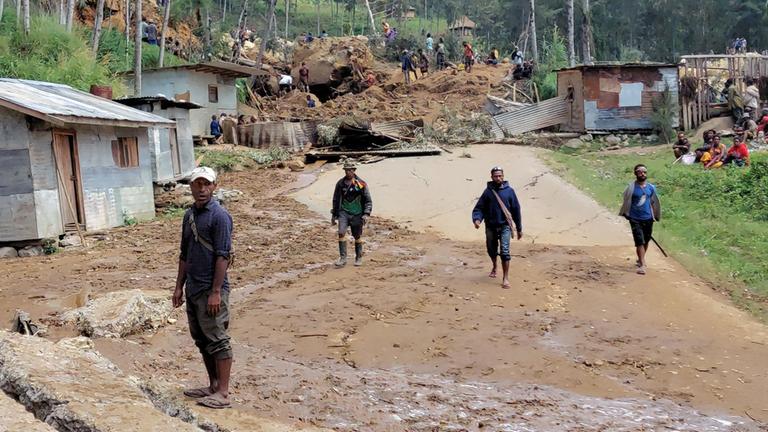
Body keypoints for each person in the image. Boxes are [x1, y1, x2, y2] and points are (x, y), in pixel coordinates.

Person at [173, 166, 234, 409]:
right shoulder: (189, 216)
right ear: (191, 186)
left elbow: (223, 256)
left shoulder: (219, 216)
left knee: (218, 339)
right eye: (197, 184)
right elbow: (184, 255)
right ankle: (213, 386)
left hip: (212, 290)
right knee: (202, 339)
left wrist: (216, 292)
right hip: (194, 288)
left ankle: (224, 392)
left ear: (214, 187)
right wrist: (179, 287)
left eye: (206, 184)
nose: (201, 189)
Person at [471, 166, 523, 289]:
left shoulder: (510, 191)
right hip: (490, 226)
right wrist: (477, 219)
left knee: (505, 251)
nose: (498, 178)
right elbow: (479, 208)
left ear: (503, 176)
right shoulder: (488, 192)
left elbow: (516, 210)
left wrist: (519, 228)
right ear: (492, 177)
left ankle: (505, 278)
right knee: (491, 249)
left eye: (500, 176)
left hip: (505, 226)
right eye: (496, 176)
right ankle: (494, 265)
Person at [618, 164, 661, 275]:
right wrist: (626, 214)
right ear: (635, 173)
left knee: (646, 240)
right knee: (639, 241)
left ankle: (640, 258)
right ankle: (642, 264)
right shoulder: (631, 187)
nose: (642, 174)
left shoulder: (651, 188)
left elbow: (653, 202)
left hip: (648, 218)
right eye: (640, 172)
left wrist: (654, 215)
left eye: (644, 172)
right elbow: (626, 200)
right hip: (635, 218)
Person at [331, 160, 372, 267]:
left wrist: (366, 213)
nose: (347, 172)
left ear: (354, 170)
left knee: (357, 236)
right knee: (341, 232)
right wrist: (334, 214)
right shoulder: (340, 184)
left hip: (357, 213)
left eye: (349, 170)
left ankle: (358, 257)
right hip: (343, 212)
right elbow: (336, 199)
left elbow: (368, 200)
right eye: (346, 170)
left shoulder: (361, 184)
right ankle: (343, 258)